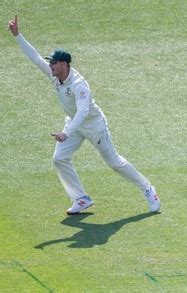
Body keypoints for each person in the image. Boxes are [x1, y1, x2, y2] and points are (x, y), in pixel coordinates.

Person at [8, 15, 160, 215]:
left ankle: (148, 189)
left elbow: (83, 111)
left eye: (54, 62)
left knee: (114, 162)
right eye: (51, 62)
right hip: (74, 124)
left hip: (93, 125)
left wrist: (66, 133)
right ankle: (80, 198)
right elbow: (36, 58)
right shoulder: (55, 76)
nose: (50, 65)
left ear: (65, 64)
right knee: (59, 158)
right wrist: (17, 35)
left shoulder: (79, 84)